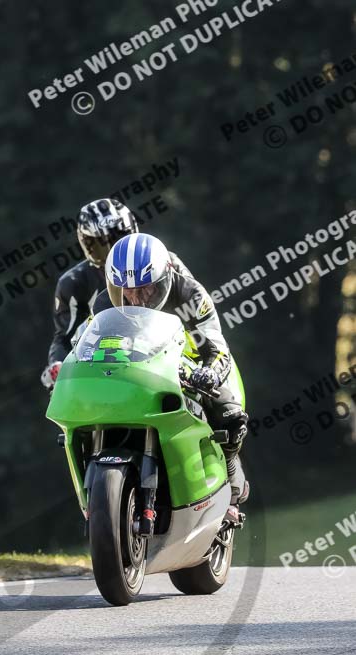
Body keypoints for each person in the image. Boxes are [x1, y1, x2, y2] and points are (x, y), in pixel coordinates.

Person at [98, 232, 249, 522]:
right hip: (132, 371)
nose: (135, 298)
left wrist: (209, 373)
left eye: (145, 289)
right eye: (126, 290)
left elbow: (217, 347)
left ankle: (231, 475)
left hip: (189, 365)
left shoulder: (191, 294)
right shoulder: (104, 302)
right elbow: (90, 342)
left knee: (231, 413)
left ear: (164, 279)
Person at [41, 198, 192, 390]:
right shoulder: (73, 283)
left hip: (170, 356)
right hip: (106, 367)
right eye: (99, 244)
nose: (113, 250)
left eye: (119, 237)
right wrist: (58, 365)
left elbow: (196, 308)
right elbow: (65, 337)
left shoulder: (166, 261)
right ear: (86, 245)